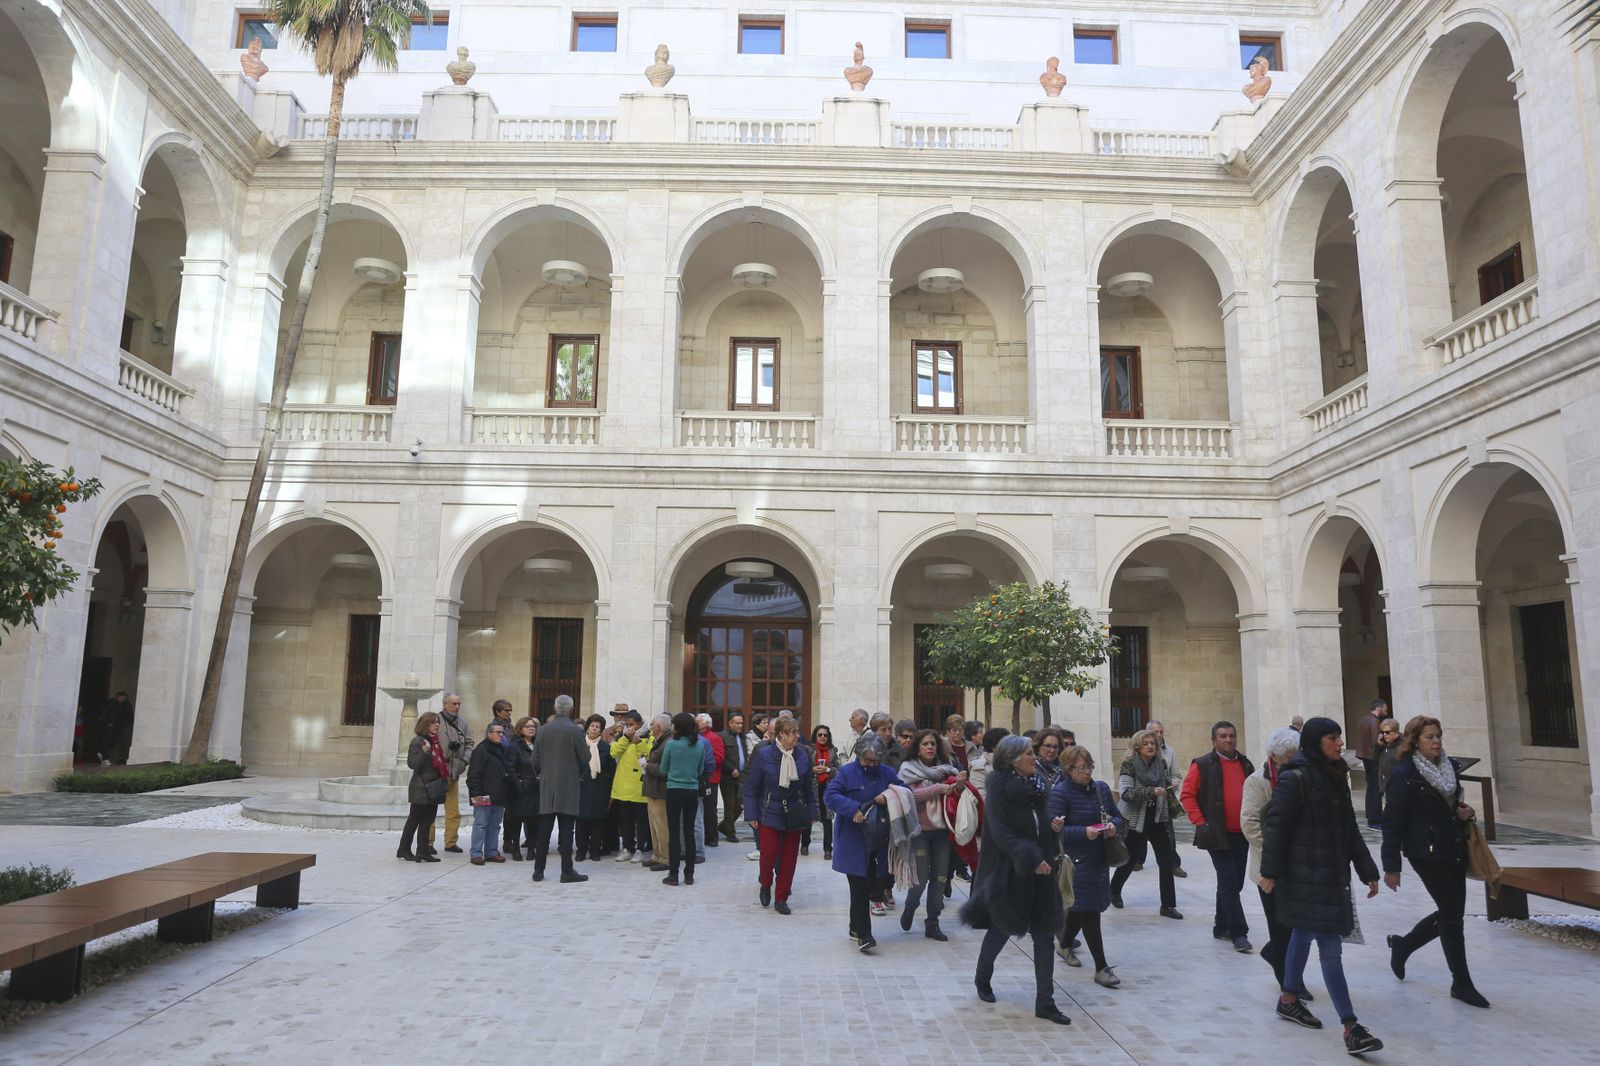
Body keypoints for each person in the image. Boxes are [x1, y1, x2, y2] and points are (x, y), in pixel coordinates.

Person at [1260, 717, 1384, 1056]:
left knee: (1302, 934)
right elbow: (1277, 829)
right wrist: (1268, 872)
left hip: (1330, 875)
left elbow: (1349, 829)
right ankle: (1351, 1026)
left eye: (1339, 737)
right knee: (1330, 948)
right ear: (1316, 742)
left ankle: (1287, 999)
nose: (1339, 743)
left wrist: (1367, 869)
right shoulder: (1294, 779)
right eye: (1332, 738)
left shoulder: (1335, 777)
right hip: (1303, 877)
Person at [961, 735, 1071, 1025]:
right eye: (1025, 754)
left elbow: (1037, 824)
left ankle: (1045, 1002)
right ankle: (982, 977)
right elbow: (1001, 834)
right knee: (1001, 930)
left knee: (1044, 935)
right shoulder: (999, 788)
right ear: (1011, 760)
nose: (1032, 757)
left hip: (1042, 871)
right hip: (1011, 873)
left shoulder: (1038, 786)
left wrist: (1052, 826)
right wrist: (1031, 859)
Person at [1381, 715, 1489, 1008]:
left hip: (1453, 846)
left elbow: (1451, 805)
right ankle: (1462, 983)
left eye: (1438, 735)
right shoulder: (1405, 773)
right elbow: (1392, 821)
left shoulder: (1450, 768)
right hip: (1424, 851)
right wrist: (1391, 865)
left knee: (1452, 912)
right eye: (1429, 737)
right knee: (1452, 915)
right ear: (1415, 740)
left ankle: (1403, 946)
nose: (1436, 741)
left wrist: (1461, 812)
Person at [1050, 746, 1125, 988]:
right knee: (1090, 911)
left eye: (1089, 766)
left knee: (1081, 908)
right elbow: (1055, 832)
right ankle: (1101, 968)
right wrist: (1084, 832)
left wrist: (1113, 825)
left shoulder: (1101, 789)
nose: (1086, 772)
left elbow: (1117, 815)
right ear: (1068, 769)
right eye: (1081, 768)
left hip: (1100, 857)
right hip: (1075, 862)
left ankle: (1064, 945)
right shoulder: (1060, 793)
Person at [1240, 727, 1307, 999]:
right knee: (1279, 927)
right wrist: (1275, 852)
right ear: (1273, 757)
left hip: (1297, 865)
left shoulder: (1302, 778)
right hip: (1268, 867)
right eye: (1286, 758)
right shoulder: (1257, 781)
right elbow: (1250, 823)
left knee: (1296, 927)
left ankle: (1283, 964)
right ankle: (1288, 983)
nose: (1292, 762)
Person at [1179, 720, 1256, 952]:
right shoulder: (1202, 764)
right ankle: (1239, 933)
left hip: (1242, 834)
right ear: (1214, 741)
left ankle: (1220, 925)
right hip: (1216, 834)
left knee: (1234, 882)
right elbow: (1187, 795)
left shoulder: (1246, 764)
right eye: (1222, 736)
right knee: (1230, 881)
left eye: (1231, 735)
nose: (1228, 740)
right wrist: (1201, 823)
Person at [825, 735, 898, 951]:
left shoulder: (887, 772)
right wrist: (852, 809)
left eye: (876, 761)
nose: (872, 765)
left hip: (880, 838)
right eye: (867, 761)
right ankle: (865, 935)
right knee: (859, 885)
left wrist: (890, 796)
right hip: (854, 839)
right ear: (859, 757)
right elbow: (830, 795)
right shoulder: (847, 772)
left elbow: (905, 791)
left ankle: (854, 927)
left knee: (875, 881)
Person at [743, 716, 819, 914]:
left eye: (797, 732)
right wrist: (751, 814)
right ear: (781, 735)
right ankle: (765, 884)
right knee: (768, 855)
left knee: (789, 859)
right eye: (792, 733)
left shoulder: (802, 755)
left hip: (794, 813)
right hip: (769, 813)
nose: (797, 736)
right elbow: (751, 787)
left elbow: (809, 788)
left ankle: (781, 898)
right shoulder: (764, 754)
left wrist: (812, 811)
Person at [896, 729, 963, 940]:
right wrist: (937, 789)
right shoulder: (908, 769)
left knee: (940, 878)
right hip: (919, 832)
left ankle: (932, 923)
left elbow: (956, 796)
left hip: (942, 832)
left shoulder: (947, 770)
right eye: (925, 743)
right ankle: (910, 907)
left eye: (933, 743)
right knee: (921, 879)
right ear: (917, 747)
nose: (929, 747)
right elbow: (908, 795)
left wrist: (958, 786)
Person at [1109, 729, 1182, 919]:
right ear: (1137, 747)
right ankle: (1114, 891)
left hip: (1157, 818)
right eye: (1146, 743)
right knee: (1130, 860)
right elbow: (1125, 792)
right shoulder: (1129, 764)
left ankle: (1168, 905)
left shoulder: (1161, 763)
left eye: (1153, 743)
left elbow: (1163, 784)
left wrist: (1170, 783)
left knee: (1166, 861)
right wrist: (1151, 791)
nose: (1150, 746)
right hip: (1135, 819)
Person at [530, 694, 591, 884]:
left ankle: (538, 870)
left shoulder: (543, 730)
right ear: (571, 709)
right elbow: (585, 758)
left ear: (555, 708)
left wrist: (542, 774)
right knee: (566, 829)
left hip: (547, 784)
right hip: (568, 785)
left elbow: (534, 759)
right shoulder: (574, 730)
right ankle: (567, 870)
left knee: (544, 829)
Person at [657, 712, 705, 886]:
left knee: (674, 832)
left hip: (674, 790)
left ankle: (673, 874)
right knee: (690, 832)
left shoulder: (672, 745)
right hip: (692, 790)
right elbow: (700, 771)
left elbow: (663, 768)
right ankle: (689, 874)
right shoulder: (699, 745)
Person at [398, 711, 448, 862]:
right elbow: (412, 764)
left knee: (428, 821)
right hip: (420, 788)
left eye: (438, 722)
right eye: (434, 722)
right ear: (425, 725)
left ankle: (423, 851)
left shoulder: (435, 742)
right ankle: (404, 849)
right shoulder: (418, 742)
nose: (437, 725)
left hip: (433, 788)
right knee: (414, 820)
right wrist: (424, 753)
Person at [427, 693, 473, 854]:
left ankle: (451, 842)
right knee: (430, 809)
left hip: (454, 771)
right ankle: (428, 842)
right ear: (445, 704)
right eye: (453, 703)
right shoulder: (435, 721)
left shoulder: (463, 723)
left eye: (459, 704)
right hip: (436, 772)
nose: (457, 707)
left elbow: (469, 743)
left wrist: (465, 760)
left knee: (453, 811)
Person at [1146, 719, 1187, 878]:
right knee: (1137, 835)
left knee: (1168, 833)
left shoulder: (1169, 752)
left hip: (1163, 800)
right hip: (1143, 800)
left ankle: (1173, 864)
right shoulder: (1138, 753)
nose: (1159, 735)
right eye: (1155, 732)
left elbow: (1176, 775)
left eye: (1161, 732)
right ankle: (1136, 860)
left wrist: (1172, 783)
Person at [465, 721, 511, 865]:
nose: (501, 735)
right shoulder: (482, 750)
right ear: (489, 733)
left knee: (495, 825)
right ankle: (476, 853)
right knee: (481, 824)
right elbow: (474, 774)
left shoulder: (502, 750)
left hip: (498, 794)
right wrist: (476, 794)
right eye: (498, 732)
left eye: (502, 732)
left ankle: (491, 851)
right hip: (482, 794)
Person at [610, 710, 651, 863]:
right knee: (625, 820)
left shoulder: (648, 736)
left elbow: (647, 755)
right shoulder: (622, 737)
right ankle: (627, 847)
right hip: (623, 785)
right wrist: (626, 738)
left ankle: (640, 848)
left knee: (641, 821)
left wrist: (638, 742)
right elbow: (613, 752)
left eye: (632, 725)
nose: (629, 728)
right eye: (627, 725)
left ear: (639, 724)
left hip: (639, 785)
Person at [576, 714, 615, 862]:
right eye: (592, 725)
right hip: (582, 787)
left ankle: (594, 850)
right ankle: (581, 850)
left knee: (598, 821)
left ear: (601, 730)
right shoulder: (579, 744)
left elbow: (612, 769)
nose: (594, 728)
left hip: (600, 788)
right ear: (587, 727)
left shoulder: (605, 747)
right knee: (581, 821)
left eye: (598, 727)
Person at [503, 716, 539, 861]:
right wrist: (519, 785)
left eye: (533, 726)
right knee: (516, 821)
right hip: (519, 790)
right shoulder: (514, 746)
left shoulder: (538, 745)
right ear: (520, 728)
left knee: (533, 821)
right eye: (528, 726)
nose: (531, 728)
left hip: (535, 789)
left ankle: (531, 849)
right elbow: (511, 769)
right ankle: (516, 848)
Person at [641, 713, 673, 872]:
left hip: (660, 791)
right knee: (654, 826)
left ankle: (666, 858)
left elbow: (666, 769)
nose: (650, 727)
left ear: (659, 727)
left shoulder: (667, 743)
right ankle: (657, 855)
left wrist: (647, 766)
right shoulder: (660, 741)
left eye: (652, 724)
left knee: (662, 827)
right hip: (653, 789)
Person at [803, 724, 840, 858]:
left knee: (827, 819)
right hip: (812, 787)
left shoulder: (833, 751)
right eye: (820, 735)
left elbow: (838, 769)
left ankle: (827, 849)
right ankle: (805, 845)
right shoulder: (808, 750)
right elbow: (802, 767)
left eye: (825, 735)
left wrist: (828, 770)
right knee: (809, 817)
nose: (823, 737)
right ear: (815, 736)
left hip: (827, 788)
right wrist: (812, 770)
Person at [719, 711, 753, 843]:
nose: (740, 725)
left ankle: (723, 826)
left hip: (742, 777)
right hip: (728, 777)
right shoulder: (723, 736)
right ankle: (730, 833)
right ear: (730, 723)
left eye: (741, 723)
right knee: (730, 805)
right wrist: (731, 769)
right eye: (737, 723)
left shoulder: (743, 737)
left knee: (740, 806)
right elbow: (721, 757)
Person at [1355, 699, 1390, 827]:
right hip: (1373, 758)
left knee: (1372, 788)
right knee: (1376, 788)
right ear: (1379, 708)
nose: (1386, 713)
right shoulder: (1374, 722)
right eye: (1385, 710)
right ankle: (1375, 818)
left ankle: (1373, 817)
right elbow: (1377, 742)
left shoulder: (1364, 719)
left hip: (1366, 757)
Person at [697, 714, 726, 850]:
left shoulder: (714, 738)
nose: (696, 724)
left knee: (710, 809)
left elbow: (719, 758)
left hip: (711, 778)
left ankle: (712, 837)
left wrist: (703, 763)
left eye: (698, 722)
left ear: (706, 724)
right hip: (700, 778)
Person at [99, 691, 135, 765]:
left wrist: (126, 723)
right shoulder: (111, 703)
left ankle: (102, 753)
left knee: (115, 740)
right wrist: (108, 722)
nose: (124, 699)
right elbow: (104, 713)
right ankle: (105, 758)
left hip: (118, 726)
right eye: (123, 698)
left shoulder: (126, 704)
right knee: (108, 740)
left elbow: (129, 715)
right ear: (118, 697)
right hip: (110, 725)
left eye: (125, 698)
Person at [1032, 728, 1068, 793]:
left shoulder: (1064, 770)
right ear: (1038, 747)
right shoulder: (1031, 769)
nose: (1052, 750)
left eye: (1055, 747)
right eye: (1048, 746)